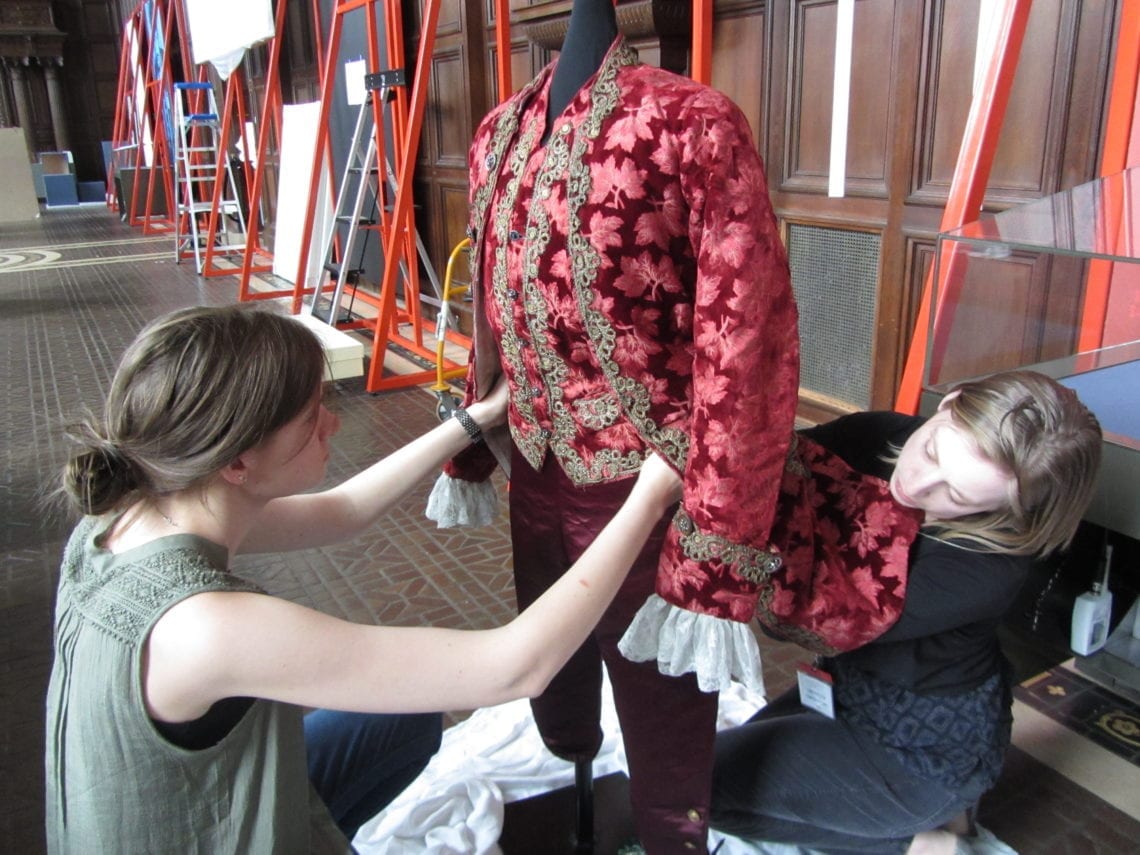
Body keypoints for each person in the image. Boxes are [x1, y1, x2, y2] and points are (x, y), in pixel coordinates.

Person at [44, 303, 684, 854]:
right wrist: (649, 495)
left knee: (402, 719)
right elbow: (515, 668)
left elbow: (341, 511)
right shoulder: (207, 628)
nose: (334, 424)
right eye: (312, 416)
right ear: (238, 460)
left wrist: (472, 421)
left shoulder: (128, 512)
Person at [425, 0, 800, 849]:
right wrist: (475, 438)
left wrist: (718, 539)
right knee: (557, 692)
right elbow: (490, 307)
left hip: (648, 491)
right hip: (534, 470)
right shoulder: (495, 134)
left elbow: (748, 346)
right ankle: (578, 781)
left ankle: (671, 830)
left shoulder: (692, 124)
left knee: (663, 718)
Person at [709, 370, 1103, 855]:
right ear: (949, 401)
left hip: (918, 751)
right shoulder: (881, 435)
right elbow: (772, 472)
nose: (916, 484)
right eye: (934, 450)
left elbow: (812, 612)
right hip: (850, 689)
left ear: (1010, 510)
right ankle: (928, 815)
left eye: (956, 496)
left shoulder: (987, 568)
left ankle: (919, 837)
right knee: (704, 766)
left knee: (694, 790)